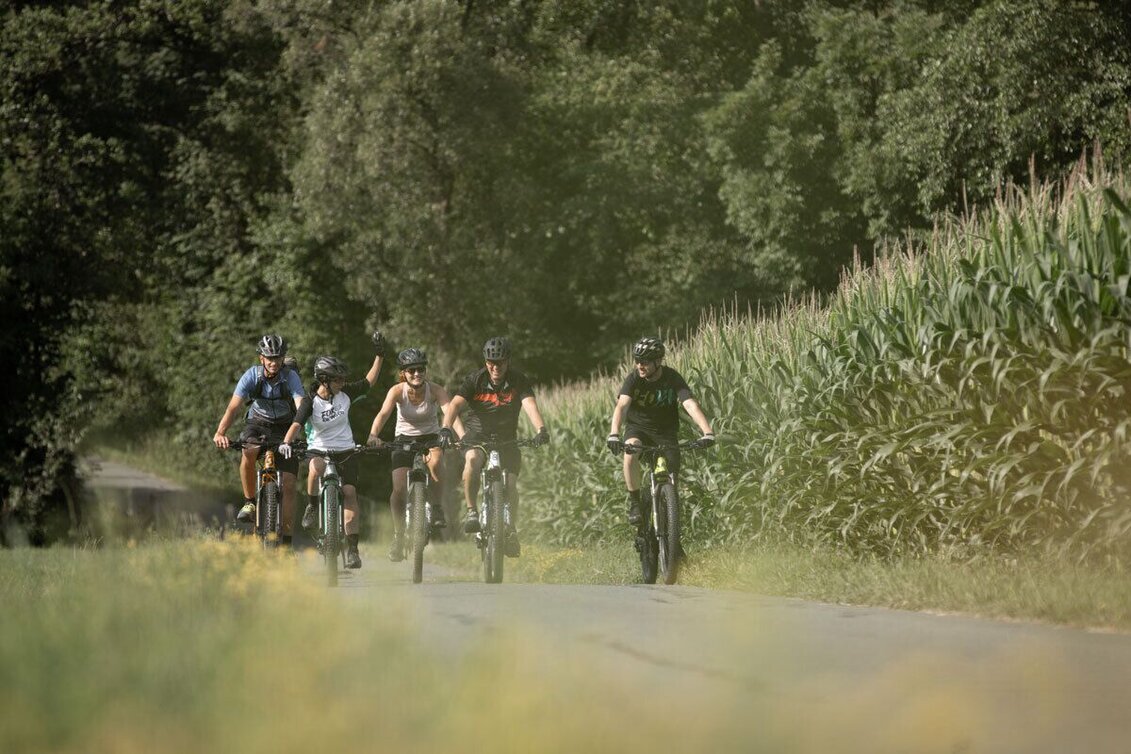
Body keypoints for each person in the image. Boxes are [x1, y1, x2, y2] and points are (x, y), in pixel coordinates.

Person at [279, 331, 386, 569]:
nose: (342, 383)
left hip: (345, 451)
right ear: (324, 380)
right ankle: (312, 506)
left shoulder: (345, 394)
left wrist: (379, 355)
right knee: (315, 468)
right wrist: (286, 443)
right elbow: (296, 424)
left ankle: (353, 550)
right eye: (337, 380)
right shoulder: (310, 402)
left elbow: (369, 381)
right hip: (319, 450)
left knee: (349, 493)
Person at [439, 336, 549, 558]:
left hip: (507, 438)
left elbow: (530, 405)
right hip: (477, 435)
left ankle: (510, 528)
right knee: (472, 461)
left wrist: (541, 429)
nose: (495, 367)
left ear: (508, 361)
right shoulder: (475, 379)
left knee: (511, 485)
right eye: (491, 362)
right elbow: (455, 405)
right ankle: (472, 511)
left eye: (500, 363)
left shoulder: (518, 380)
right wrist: (445, 429)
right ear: (486, 361)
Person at [367, 347, 464, 562]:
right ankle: (398, 536)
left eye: (420, 369)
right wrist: (373, 435)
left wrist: (462, 437)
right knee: (399, 489)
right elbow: (383, 414)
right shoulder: (396, 391)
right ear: (403, 373)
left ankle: (436, 508)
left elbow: (450, 412)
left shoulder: (435, 390)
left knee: (436, 463)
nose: (417, 374)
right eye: (411, 370)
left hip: (431, 437)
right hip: (404, 439)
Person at [606, 337, 715, 525]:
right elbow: (622, 406)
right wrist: (614, 434)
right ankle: (635, 503)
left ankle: (671, 533)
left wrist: (708, 432)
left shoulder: (672, 378)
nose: (640, 365)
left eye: (645, 361)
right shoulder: (633, 379)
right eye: (637, 360)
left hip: (665, 433)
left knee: (672, 483)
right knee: (630, 452)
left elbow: (690, 404)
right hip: (638, 429)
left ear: (658, 361)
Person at [213, 334, 306, 545]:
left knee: (289, 484)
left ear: (282, 358)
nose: (274, 362)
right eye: (269, 358)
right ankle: (249, 502)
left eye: (278, 357)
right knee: (249, 449)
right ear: (261, 358)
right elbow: (234, 407)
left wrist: (304, 434)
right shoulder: (251, 376)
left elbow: (301, 406)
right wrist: (220, 432)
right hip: (257, 423)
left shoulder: (291, 377)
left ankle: (287, 544)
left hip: (284, 427)